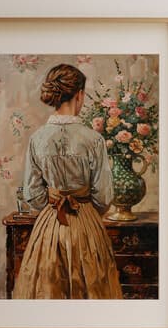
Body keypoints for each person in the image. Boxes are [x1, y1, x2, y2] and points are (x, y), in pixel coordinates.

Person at [13, 64, 123, 299]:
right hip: (86, 223)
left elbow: (33, 193)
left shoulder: (37, 138)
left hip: (49, 222)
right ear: (80, 94)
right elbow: (104, 196)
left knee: (47, 289)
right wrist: (87, 212)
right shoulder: (93, 139)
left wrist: (52, 202)